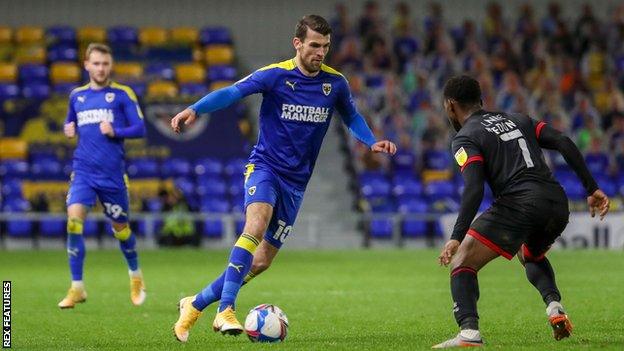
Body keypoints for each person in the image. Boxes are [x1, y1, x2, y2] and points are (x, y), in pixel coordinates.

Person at [171, 15, 396, 342]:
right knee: (255, 226)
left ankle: (194, 305)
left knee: (261, 261)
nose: (321, 52)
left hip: (296, 183)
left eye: (326, 46)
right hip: (265, 168)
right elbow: (233, 93)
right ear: (298, 44)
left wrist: (370, 140)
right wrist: (196, 109)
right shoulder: (275, 76)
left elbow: (352, 116)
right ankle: (226, 309)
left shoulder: (335, 84)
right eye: (315, 45)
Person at [433, 75, 610, 348]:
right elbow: (563, 140)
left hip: (519, 203)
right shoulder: (519, 118)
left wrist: (457, 236)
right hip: (556, 202)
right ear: (481, 101)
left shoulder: (466, 137)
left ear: (450, 106)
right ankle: (554, 307)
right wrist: (592, 188)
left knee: (463, 262)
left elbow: (474, 189)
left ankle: (468, 333)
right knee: (530, 253)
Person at [58, 43, 147, 309]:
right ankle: (77, 288)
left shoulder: (121, 94)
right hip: (83, 172)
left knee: (121, 230)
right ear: (86, 65)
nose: (100, 68)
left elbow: (140, 129)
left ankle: (135, 276)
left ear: (111, 66)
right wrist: (69, 130)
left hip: (112, 176)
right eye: (96, 63)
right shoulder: (76, 96)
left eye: (105, 64)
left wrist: (116, 130)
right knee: (74, 222)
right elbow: (70, 122)